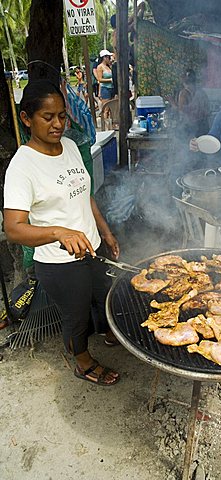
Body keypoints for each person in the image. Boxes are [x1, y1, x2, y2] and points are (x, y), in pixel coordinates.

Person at [3, 80, 120, 387]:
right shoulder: (22, 166)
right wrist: (57, 232)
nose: (57, 124)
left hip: (91, 247)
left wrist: (105, 232)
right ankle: (81, 361)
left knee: (105, 295)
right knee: (76, 315)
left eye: (62, 116)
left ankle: (111, 335)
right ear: (27, 119)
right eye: (48, 117)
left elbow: (84, 194)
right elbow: (13, 229)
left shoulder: (68, 146)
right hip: (58, 261)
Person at [176, 69, 210, 141]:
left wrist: (172, 102)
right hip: (203, 126)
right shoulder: (202, 92)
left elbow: (181, 110)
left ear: (183, 80)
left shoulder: (183, 93)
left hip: (190, 127)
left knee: (189, 149)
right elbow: (207, 110)